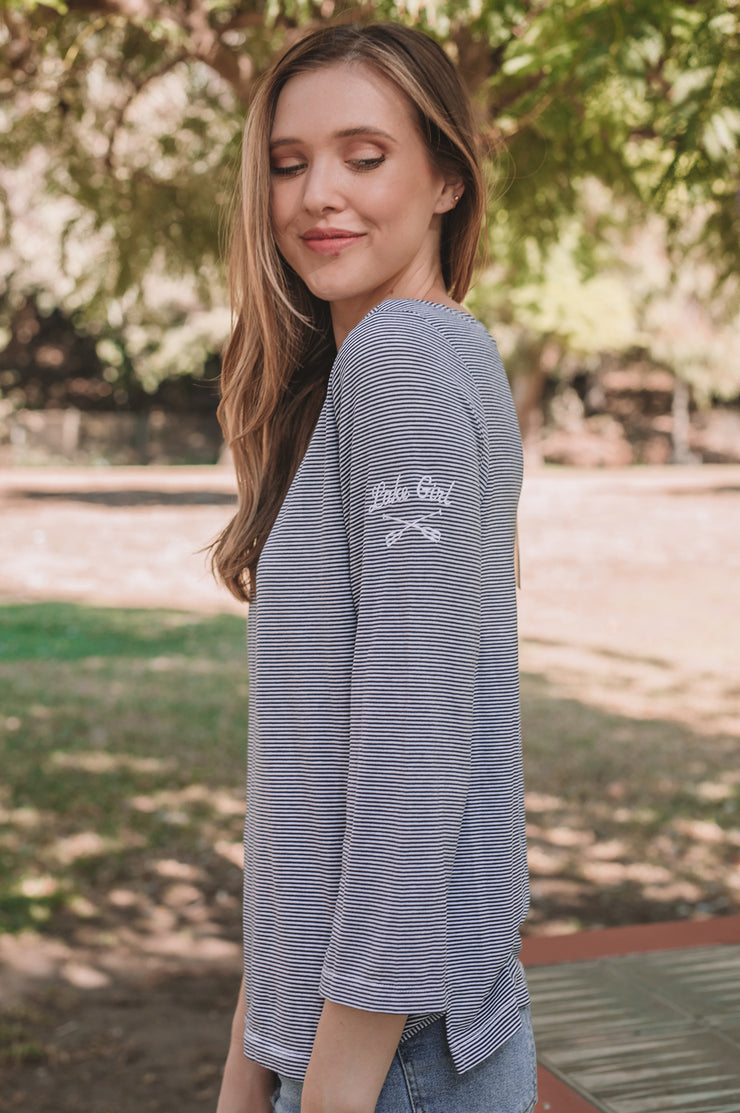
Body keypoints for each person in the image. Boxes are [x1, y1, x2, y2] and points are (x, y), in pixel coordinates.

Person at [211, 22, 535, 1113]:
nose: (317, 196)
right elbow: (313, 797)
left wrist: (331, 1093)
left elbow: (412, 760)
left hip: (386, 1061)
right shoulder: (442, 354)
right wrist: (249, 1072)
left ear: (446, 179)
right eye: (287, 164)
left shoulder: (397, 362)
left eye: (364, 155)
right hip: (374, 1043)